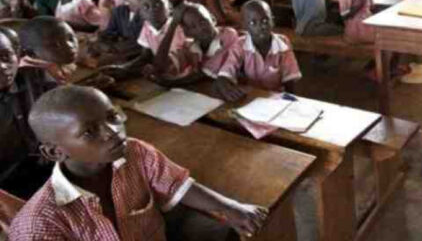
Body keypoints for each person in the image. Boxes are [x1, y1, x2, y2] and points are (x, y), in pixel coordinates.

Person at [8, 85, 268, 240]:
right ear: (55, 152)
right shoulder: (39, 226)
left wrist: (232, 207)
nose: (112, 131)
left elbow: (176, 185)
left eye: (112, 116)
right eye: (89, 131)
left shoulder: (134, 152)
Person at [0, 27, 52, 199]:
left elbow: (64, 109)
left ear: (18, 55)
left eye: (5, 56)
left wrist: (51, 139)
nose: (2, 67)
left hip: (47, 165)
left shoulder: (35, 76)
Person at [155, 3, 245, 102]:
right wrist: (173, 25)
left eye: (203, 21)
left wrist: (170, 83)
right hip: (207, 97)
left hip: (235, 93)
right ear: (187, 33)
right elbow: (160, 66)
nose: (200, 28)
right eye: (193, 26)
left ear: (213, 19)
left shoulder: (228, 35)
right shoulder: (190, 46)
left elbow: (203, 74)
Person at [221, 0, 301, 93]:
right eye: (252, 23)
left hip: (275, 97)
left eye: (265, 21)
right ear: (244, 26)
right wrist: (224, 82)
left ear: (273, 21)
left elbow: (290, 79)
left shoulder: (282, 43)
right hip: (250, 97)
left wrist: (288, 100)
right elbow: (226, 72)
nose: (260, 27)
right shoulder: (240, 44)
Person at [90, 0, 150, 64]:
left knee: (105, 61)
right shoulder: (119, 11)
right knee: (92, 48)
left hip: (136, 54)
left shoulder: (149, 16)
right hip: (118, 49)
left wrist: (116, 49)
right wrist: (102, 39)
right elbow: (110, 32)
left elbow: (142, 44)